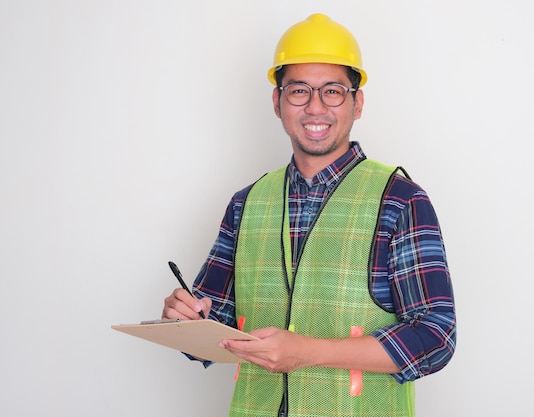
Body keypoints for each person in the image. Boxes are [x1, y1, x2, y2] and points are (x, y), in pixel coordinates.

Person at [162, 13, 456, 417]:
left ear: (358, 102)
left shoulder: (399, 201)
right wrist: (188, 322)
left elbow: (435, 335)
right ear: (277, 101)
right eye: (299, 90)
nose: (315, 107)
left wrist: (309, 352)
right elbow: (218, 325)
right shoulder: (247, 204)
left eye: (332, 91)